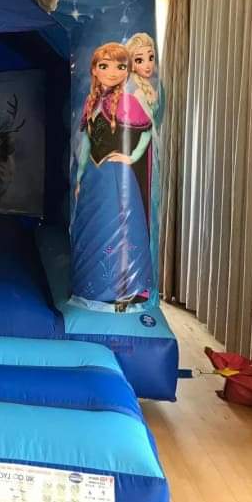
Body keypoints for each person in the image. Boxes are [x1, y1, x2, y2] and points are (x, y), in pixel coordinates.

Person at [71, 43, 153, 309]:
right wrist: (80, 176)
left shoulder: (128, 102)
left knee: (117, 226)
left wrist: (132, 157)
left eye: (121, 66)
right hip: (94, 176)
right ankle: (92, 284)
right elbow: (86, 143)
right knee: (93, 227)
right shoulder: (91, 103)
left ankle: (123, 288)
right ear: (95, 70)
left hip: (116, 176)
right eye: (105, 66)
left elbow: (147, 131)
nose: (113, 72)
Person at [125, 32, 159, 221]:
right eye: (140, 60)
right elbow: (148, 127)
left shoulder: (150, 86)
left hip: (152, 145)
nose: (147, 64)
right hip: (144, 149)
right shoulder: (135, 91)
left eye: (150, 58)